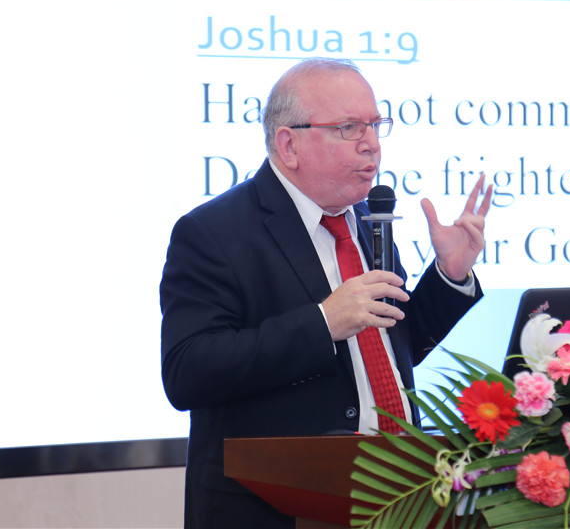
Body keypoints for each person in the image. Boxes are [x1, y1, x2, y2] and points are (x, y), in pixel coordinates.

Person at [160, 57, 493, 528]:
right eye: (349, 128)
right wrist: (322, 324)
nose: (372, 144)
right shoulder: (213, 232)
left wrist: (449, 275)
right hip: (276, 509)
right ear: (289, 144)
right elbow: (187, 372)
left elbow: (392, 350)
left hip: (397, 495)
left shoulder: (365, 221)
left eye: (376, 125)